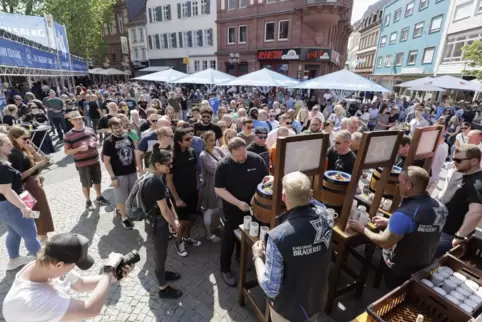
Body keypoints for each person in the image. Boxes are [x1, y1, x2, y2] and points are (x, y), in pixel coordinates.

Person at [349, 166, 448, 289]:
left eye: (399, 182)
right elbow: (423, 226)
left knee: (393, 297)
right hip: (426, 263)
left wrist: (362, 229)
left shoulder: (404, 214)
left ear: (409, 185)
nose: (397, 185)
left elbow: (384, 242)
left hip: (401, 269)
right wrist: (390, 222)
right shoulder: (441, 207)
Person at [252, 171, 332, 322]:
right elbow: (313, 201)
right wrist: (295, 188)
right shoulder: (326, 215)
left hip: (289, 310)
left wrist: (257, 256)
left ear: (283, 197)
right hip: (315, 299)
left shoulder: (278, 237)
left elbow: (271, 287)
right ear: (311, 194)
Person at [2, 232, 134, 321]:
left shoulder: (46, 265)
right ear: (59, 264)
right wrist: (108, 271)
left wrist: (115, 274)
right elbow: (90, 310)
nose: (74, 268)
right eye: (74, 264)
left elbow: (81, 284)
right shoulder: (29, 300)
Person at [215, 137, 269, 286]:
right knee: (229, 238)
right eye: (238, 156)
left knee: (248, 235)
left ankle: (240, 257)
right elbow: (219, 189)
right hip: (233, 208)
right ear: (230, 151)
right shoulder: (223, 165)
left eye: (243, 154)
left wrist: (256, 195)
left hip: (253, 207)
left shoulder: (256, 159)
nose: (242, 158)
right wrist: (238, 203)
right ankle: (225, 268)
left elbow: (266, 179)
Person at [142, 145, 183, 299]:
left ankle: (163, 274)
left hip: (158, 221)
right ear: (158, 165)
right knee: (160, 255)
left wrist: (175, 218)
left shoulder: (157, 176)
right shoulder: (155, 182)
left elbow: (167, 201)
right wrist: (173, 224)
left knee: (162, 254)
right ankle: (163, 288)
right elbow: (164, 210)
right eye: (168, 164)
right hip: (157, 224)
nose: (171, 167)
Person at [0, 133, 41, 271]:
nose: (11, 144)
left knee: (14, 232)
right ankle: (42, 264)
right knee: (30, 233)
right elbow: (6, 191)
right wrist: (23, 206)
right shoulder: (3, 167)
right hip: (13, 203)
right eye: (7, 143)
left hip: (15, 199)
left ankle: (14, 259)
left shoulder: (4, 163)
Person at [8, 127, 54, 243]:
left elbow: (41, 161)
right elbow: (18, 176)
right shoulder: (14, 154)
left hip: (33, 183)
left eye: (28, 138)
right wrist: (36, 167)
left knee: (41, 210)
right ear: (14, 138)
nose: (27, 140)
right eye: (24, 138)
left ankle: (42, 237)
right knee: (37, 211)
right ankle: (42, 239)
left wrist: (32, 150)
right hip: (25, 187)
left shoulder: (24, 149)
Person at [436, 144, 482, 257]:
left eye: (458, 160)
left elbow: (476, 213)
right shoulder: (461, 173)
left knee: (432, 265)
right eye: (453, 159)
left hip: (449, 234)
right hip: (440, 227)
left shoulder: (478, 183)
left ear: (474, 161)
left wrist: (460, 236)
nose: (454, 162)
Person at [64, 111, 110, 210]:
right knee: (86, 183)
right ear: (72, 122)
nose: (79, 121)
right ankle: (88, 201)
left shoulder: (89, 129)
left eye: (80, 118)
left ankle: (99, 197)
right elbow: (66, 151)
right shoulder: (68, 135)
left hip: (95, 160)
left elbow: (96, 139)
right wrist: (78, 149)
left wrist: (96, 143)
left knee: (98, 180)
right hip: (82, 164)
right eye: (76, 119)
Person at [166, 128, 202, 257]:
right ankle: (178, 242)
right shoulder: (172, 156)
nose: (191, 141)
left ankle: (187, 238)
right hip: (180, 195)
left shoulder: (192, 152)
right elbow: (169, 180)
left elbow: (195, 172)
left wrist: (198, 188)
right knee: (183, 221)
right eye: (187, 139)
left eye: (191, 138)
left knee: (192, 217)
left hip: (193, 192)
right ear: (179, 142)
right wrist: (176, 198)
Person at [102, 117, 136, 230]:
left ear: (122, 125)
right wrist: (113, 177)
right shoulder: (108, 142)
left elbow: (133, 151)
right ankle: (124, 218)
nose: (118, 130)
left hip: (131, 171)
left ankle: (126, 210)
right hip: (119, 174)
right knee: (121, 197)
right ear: (111, 129)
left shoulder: (127, 136)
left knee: (131, 194)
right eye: (115, 128)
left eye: (119, 127)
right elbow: (106, 161)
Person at [199, 131, 224, 243]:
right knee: (209, 210)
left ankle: (216, 225)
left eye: (214, 140)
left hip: (221, 185)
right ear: (205, 141)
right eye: (211, 140)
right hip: (210, 186)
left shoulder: (218, 149)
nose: (214, 143)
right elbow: (215, 170)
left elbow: (227, 161)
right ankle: (208, 234)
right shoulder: (203, 155)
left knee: (219, 208)